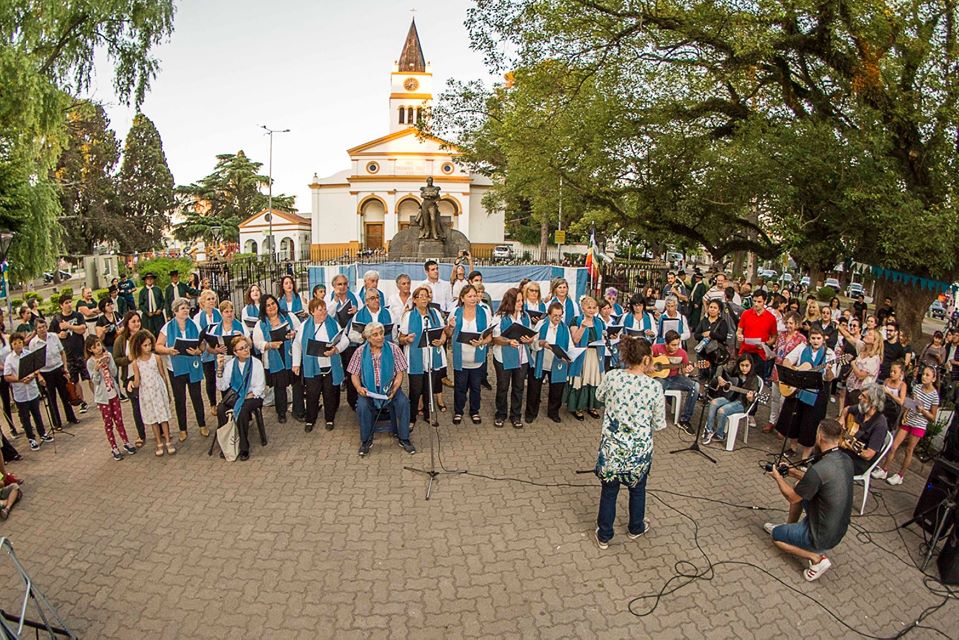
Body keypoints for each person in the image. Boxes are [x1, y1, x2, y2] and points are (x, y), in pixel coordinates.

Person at [593, 336, 663, 549]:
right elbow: (659, 423)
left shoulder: (613, 376)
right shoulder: (653, 387)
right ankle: (635, 528)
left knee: (609, 491)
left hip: (613, 447)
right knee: (638, 489)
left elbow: (599, 396)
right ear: (645, 359)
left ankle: (604, 535)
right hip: (638, 450)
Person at [764, 418, 853, 582]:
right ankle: (790, 528)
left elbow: (792, 497)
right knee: (800, 485)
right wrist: (792, 472)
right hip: (838, 527)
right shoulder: (845, 459)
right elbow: (815, 481)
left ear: (820, 437)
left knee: (776, 537)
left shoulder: (820, 468)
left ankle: (817, 559)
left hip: (821, 535)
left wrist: (778, 477)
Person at [348, 322, 415, 457]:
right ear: (368, 338)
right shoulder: (360, 352)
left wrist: (395, 388)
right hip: (369, 390)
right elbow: (354, 374)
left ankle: (404, 438)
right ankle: (366, 440)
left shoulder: (394, 349)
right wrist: (358, 388)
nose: (380, 337)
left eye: (381, 333)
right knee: (362, 406)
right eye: (375, 335)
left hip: (390, 388)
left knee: (403, 402)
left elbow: (400, 373)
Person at [776, 327, 836, 460]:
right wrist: (795, 371)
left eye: (818, 338)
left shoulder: (829, 354)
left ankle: (805, 456)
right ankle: (792, 448)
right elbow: (786, 360)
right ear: (809, 338)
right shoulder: (802, 347)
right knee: (793, 420)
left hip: (817, 394)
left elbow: (830, 378)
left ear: (823, 339)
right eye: (813, 338)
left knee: (810, 424)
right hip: (798, 390)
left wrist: (829, 370)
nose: (815, 341)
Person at [873, 366, 940, 485]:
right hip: (909, 420)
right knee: (894, 445)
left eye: (927, 375)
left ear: (933, 379)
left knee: (909, 450)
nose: (924, 377)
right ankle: (884, 469)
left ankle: (900, 475)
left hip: (919, 424)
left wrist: (923, 411)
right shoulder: (917, 388)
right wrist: (905, 414)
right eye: (923, 374)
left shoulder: (934, 396)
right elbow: (911, 404)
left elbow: (932, 417)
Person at [292, 298, 349, 432]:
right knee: (312, 395)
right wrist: (296, 364)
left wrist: (336, 349)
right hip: (312, 367)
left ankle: (329, 419)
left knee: (330, 394)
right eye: (320, 309)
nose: (324, 312)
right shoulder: (304, 326)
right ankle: (310, 420)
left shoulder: (333, 323)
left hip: (330, 365)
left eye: (324, 309)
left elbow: (345, 339)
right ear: (312, 312)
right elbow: (297, 344)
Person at [155, 297, 207, 442]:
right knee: (180, 399)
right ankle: (182, 428)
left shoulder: (195, 325)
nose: (186, 310)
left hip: (193, 366)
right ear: (175, 311)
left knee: (196, 396)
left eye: (187, 307)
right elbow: (158, 346)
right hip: (175, 368)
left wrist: (198, 352)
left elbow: (202, 344)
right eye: (182, 308)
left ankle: (202, 424)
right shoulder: (167, 327)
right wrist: (168, 350)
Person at [398, 286, 448, 429]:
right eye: (420, 296)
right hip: (416, 356)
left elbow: (443, 331)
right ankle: (411, 417)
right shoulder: (409, 315)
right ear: (414, 300)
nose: (424, 298)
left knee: (429, 388)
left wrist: (442, 340)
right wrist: (407, 339)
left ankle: (428, 415)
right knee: (415, 389)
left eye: (426, 296)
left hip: (433, 355)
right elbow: (400, 337)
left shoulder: (435, 313)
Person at [253, 294, 303, 423]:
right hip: (274, 356)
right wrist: (269, 345)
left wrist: (294, 333)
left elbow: (300, 330)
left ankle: (298, 411)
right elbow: (257, 342)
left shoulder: (289, 316)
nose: (271, 307)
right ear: (264, 308)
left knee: (296, 384)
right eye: (268, 305)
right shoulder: (261, 324)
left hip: (291, 355)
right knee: (279, 386)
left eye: (273, 303)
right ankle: (281, 412)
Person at [446, 284, 492, 424]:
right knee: (460, 387)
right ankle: (458, 411)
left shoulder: (484, 312)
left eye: (475, 295)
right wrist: (451, 327)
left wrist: (481, 343)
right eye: (469, 296)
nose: (473, 298)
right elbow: (448, 334)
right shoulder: (455, 311)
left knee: (476, 387)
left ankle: (474, 411)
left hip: (477, 358)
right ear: (462, 298)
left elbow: (490, 336)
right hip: (461, 358)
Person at [84, 335, 136, 461]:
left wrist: (108, 363)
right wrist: (96, 369)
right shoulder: (90, 362)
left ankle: (125, 441)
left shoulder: (108, 355)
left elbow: (114, 373)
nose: (98, 348)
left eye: (99, 344)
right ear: (90, 349)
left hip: (113, 393)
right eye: (95, 347)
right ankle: (113, 447)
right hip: (103, 397)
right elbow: (95, 381)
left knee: (119, 419)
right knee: (108, 422)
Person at [215, 335, 266, 461]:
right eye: (241, 348)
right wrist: (220, 369)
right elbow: (222, 387)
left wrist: (251, 394)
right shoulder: (231, 364)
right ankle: (226, 443)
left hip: (253, 396)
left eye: (246, 347)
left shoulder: (256, 363)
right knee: (221, 408)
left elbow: (261, 386)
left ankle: (244, 446)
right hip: (236, 395)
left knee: (243, 409)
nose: (246, 350)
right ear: (235, 353)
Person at [491, 288, 534, 428]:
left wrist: (529, 340)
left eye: (522, 300)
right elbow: (495, 338)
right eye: (518, 301)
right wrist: (508, 342)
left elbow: (531, 335)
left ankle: (516, 415)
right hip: (503, 357)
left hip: (522, 358)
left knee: (518, 387)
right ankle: (501, 414)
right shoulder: (499, 317)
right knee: (503, 387)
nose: (521, 303)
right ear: (510, 301)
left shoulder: (525, 316)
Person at [3, 333, 53, 451]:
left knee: (37, 413)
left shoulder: (28, 354)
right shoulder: (9, 359)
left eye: (20, 342)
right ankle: (31, 438)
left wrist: (33, 376)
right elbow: (7, 376)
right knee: (25, 417)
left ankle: (42, 433)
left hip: (32, 389)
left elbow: (35, 368)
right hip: (20, 392)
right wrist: (19, 379)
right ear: (12, 345)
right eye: (15, 343)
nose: (18, 345)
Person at [130, 329, 175, 456]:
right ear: (139, 346)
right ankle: (158, 442)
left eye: (150, 344)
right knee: (153, 419)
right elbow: (137, 381)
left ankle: (168, 441)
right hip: (147, 393)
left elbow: (163, 375)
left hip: (158, 390)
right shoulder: (136, 362)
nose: (148, 347)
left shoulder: (156, 358)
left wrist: (167, 392)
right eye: (145, 345)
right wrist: (131, 384)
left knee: (163, 417)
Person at [29, 317, 79, 432]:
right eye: (39, 328)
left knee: (65, 395)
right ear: (36, 330)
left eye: (43, 327)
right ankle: (57, 423)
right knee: (52, 399)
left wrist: (65, 368)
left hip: (58, 369)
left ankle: (71, 417)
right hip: (45, 372)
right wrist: (39, 375)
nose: (42, 329)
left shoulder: (54, 336)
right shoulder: (33, 343)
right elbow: (34, 363)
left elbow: (62, 352)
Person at [529, 302, 573, 423]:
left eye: (560, 315)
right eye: (555, 315)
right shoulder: (541, 325)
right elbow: (532, 343)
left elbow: (570, 346)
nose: (557, 318)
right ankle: (531, 413)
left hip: (557, 364)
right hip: (540, 362)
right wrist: (540, 343)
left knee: (556, 389)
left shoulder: (565, 328)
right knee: (534, 389)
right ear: (548, 314)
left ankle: (553, 412)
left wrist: (568, 356)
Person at [764, 312, 807, 433]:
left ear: (797, 324)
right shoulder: (781, 335)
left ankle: (782, 425)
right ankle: (772, 421)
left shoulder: (801, 339)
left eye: (791, 323)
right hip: (777, 369)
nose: (788, 325)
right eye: (787, 322)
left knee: (784, 400)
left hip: (789, 372)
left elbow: (801, 358)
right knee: (775, 397)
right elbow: (776, 350)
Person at [566, 296, 607, 421]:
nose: (591, 310)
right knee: (582, 379)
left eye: (594, 307)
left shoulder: (599, 322)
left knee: (593, 379)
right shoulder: (576, 320)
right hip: (582, 355)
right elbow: (575, 339)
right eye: (589, 307)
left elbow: (602, 337)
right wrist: (583, 327)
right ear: (582, 308)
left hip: (596, 355)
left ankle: (592, 406)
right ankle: (578, 407)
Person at [703, 355, 759, 445]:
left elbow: (752, 399)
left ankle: (720, 435)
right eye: (742, 365)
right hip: (730, 396)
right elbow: (720, 367)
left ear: (751, 365)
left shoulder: (753, 379)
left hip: (742, 402)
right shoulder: (735, 370)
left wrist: (750, 398)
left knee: (722, 410)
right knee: (713, 403)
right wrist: (719, 378)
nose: (744, 368)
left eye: (747, 366)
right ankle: (709, 430)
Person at [652, 329, 700, 433]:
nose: (676, 347)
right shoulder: (656, 348)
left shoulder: (682, 353)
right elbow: (645, 359)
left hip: (675, 378)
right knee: (658, 386)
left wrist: (686, 370)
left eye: (678, 344)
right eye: (673, 345)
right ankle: (654, 416)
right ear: (666, 343)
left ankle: (684, 420)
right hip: (659, 378)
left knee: (695, 386)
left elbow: (684, 371)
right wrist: (651, 366)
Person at [50, 294, 90, 412]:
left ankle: (98, 398)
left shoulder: (77, 315)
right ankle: (82, 402)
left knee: (89, 376)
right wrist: (59, 335)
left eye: (69, 302)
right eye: (66, 303)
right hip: (68, 354)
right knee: (75, 380)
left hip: (80, 351)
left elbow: (83, 328)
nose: (69, 305)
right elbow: (51, 335)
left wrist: (69, 326)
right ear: (61, 305)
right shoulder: (56, 320)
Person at [113, 312, 145, 447]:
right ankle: (141, 434)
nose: (136, 324)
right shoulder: (121, 340)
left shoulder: (145, 335)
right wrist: (128, 359)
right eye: (133, 321)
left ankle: (160, 431)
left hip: (146, 374)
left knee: (151, 402)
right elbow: (116, 359)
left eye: (138, 321)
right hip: (130, 377)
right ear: (127, 323)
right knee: (136, 406)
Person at [329, 274, 360, 409]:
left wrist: (356, 311)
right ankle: (334, 404)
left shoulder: (355, 297)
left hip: (351, 341)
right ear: (334, 286)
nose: (342, 287)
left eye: (344, 284)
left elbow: (363, 313)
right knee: (335, 371)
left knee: (351, 371)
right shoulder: (329, 298)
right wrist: (335, 300)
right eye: (339, 284)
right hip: (335, 340)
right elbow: (327, 314)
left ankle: (353, 402)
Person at [193, 290, 223, 417]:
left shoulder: (219, 313)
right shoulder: (198, 317)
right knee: (210, 379)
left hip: (219, 349)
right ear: (202, 302)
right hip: (206, 351)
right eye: (209, 299)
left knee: (222, 376)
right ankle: (212, 403)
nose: (212, 301)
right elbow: (199, 336)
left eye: (213, 299)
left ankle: (224, 402)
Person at [737, 290, 778, 376]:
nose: (756, 304)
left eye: (759, 302)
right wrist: (739, 335)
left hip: (760, 353)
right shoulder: (746, 314)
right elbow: (739, 330)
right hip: (745, 351)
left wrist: (765, 344)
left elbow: (774, 337)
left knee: (757, 378)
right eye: (754, 301)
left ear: (765, 301)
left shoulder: (771, 318)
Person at [844, 328, 882, 408]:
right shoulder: (862, 347)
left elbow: (860, 375)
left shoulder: (874, 359)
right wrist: (838, 326)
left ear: (875, 341)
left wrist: (853, 364)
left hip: (859, 392)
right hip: (850, 387)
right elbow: (848, 337)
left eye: (870, 334)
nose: (866, 335)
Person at [693, 299, 729, 379]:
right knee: (703, 374)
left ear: (719, 310)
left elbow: (723, 337)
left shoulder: (722, 322)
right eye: (711, 307)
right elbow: (696, 335)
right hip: (703, 352)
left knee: (713, 375)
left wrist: (711, 334)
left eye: (715, 308)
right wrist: (703, 335)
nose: (712, 309)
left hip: (715, 353)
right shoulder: (703, 321)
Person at [138, 272, 165, 337]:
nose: (149, 280)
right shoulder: (142, 291)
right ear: (145, 281)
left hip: (158, 315)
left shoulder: (158, 289)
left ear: (153, 280)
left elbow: (162, 301)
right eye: (147, 279)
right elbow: (141, 304)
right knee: (148, 334)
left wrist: (160, 309)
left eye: (151, 278)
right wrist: (147, 312)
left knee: (160, 332)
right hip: (147, 317)